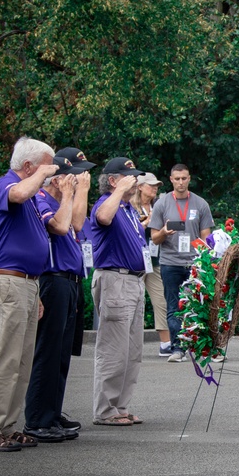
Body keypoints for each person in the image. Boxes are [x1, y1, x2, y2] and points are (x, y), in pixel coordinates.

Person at [0, 137, 58, 452]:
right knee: (4, 359)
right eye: (46, 166)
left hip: (24, 283)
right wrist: (42, 174)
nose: (51, 174)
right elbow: (19, 192)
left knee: (20, 361)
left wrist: (35, 292)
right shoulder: (4, 187)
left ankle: (6, 426)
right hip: (7, 281)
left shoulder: (28, 194)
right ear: (29, 166)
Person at [23, 149, 93, 442]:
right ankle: (38, 418)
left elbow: (78, 223)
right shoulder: (42, 199)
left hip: (71, 281)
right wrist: (78, 192)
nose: (82, 178)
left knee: (62, 354)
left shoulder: (63, 198)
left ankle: (52, 411)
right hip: (54, 279)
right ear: (60, 175)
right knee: (48, 353)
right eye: (78, 173)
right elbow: (69, 225)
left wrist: (79, 193)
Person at [90, 157, 148, 427]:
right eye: (128, 176)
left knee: (132, 350)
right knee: (114, 348)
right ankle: (105, 409)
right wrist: (116, 192)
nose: (135, 180)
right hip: (116, 279)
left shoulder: (128, 209)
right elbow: (102, 217)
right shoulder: (107, 203)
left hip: (134, 281)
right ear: (113, 180)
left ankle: (120, 406)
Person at [151, 164, 215, 363]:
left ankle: (202, 347)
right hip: (170, 262)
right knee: (173, 306)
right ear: (171, 179)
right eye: (177, 178)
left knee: (199, 305)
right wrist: (164, 232)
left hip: (194, 263)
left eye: (184, 178)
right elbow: (154, 238)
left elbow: (207, 239)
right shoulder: (162, 204)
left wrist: (205, 259)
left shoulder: (200, 203)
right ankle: (177, 348)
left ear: (189, 179)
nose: (180, 182)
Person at [132, 173, 169, 357]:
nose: (155, 188)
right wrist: (148, 221)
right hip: (133, 260)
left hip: (154, 260)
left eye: (157, 186)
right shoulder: (130, 205)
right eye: (151, 185)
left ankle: (165, 343)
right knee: (134, 301)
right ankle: (130, 344)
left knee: (161, 299)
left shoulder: (158, 206)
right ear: (139, 186)